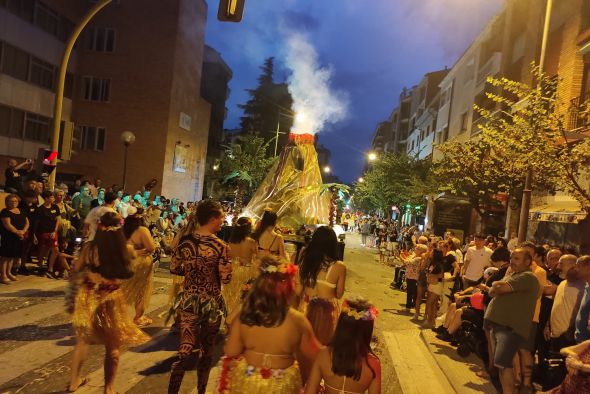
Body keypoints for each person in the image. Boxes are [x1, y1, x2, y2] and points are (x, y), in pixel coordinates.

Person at [68, 211, 149, 393]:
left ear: (100, 227)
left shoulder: (89, 247)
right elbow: (131, 267)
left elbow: (77, 268)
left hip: (88, 294)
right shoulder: (125, 249)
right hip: (110, 298)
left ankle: (74, 382)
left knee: (83, 341)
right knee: (113, 346)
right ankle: (109, 388)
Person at [219, 256, 320, 394]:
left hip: (249, 382)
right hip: (281, 386)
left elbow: (231, 350)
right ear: (287, 287)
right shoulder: (297, 320)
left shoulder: (245, 315)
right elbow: (316, 354)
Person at [168, 200, 232, 394]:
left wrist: (191, 272)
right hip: (211, 303)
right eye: (221, 217)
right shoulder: (220, 246)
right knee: (207, 351)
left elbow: (173, 267)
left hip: (188, 301)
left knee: (185, 348)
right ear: (212, 219)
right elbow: (226, 278)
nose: (223, 221)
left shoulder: (186, 241)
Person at [483, 248, 540, 394]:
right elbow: (491, 291)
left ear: (527, 262)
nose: (512, 261)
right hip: (501, 327)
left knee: (503, 365)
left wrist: (497, 285)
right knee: (502, 365)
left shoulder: (527, 277)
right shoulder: (513, 275)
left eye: (517, 258)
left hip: (509, 329)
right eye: (512, 258)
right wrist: (497, 286)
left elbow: (499, 288)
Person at [305, 298, 381, 394]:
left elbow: (309, 392)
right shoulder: (373, 364)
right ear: (367, 331)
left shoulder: (323, 354)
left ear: (341, 325)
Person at [121, 207, 157, 327]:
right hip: (141, 263)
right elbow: (151, 248)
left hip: (127, 261)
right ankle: (138, 317)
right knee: (142, 290)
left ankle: (118, 314)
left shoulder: (122, 229)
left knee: (123, 288)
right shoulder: (142, 230)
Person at [223, 217, 259, 316]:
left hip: (232, 270)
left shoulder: (230, 241)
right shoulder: (251, 242)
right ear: (248, 228)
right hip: (246, 272)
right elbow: (257, 258)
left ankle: (229, 317)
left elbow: (227, 257)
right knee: (242, 297)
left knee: (230, 296)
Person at [0, 194, 29, 283]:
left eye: (15, 201)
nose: (13, 203)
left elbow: (27, 222)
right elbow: (7, 225)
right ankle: (3, 275)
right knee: (5, 257)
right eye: (11, 201)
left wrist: (23, 231)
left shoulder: (21, 210)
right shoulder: (5, 212)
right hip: (8, 237)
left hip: (18, 237)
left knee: (12, 256)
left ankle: (8, 273)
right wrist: (18, 232)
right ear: (7, 202)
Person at [34, 190, 60, 277]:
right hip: (43, 232)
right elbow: (36, 223)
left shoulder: (55, 207)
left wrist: (55, 231)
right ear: (46, 198)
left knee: (55, 250)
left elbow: (58, 220)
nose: (53, 198)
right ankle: (40, 267)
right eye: (52, 197)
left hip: (53, 232)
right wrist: (34, 234)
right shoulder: (40, 209)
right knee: (42, 250)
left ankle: (50, 269)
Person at [423, 249, 444, 328]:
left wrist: (431, 276)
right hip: (431, 285)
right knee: (433, 304)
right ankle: (432, 322)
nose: (431, 253)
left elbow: (441, 276)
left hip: (437, 285)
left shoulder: (439, 264)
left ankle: (429, 321)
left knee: (430, 303)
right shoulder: (432, 263)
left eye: (432, 252)